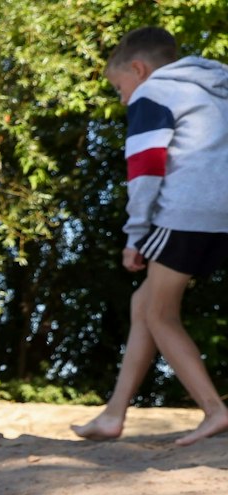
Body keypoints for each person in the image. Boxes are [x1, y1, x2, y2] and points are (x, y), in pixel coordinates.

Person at [72, 27, 228, 447]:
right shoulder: (216, 90)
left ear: (138, 70)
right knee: (145, 303)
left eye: (119, 87)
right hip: (221, 216)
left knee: (161, 314)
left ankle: (214, 410)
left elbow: (145, 168)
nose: (123, 99)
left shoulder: (153, 93)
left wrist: (136, 234)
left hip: (185, 213)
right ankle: (113, 414)